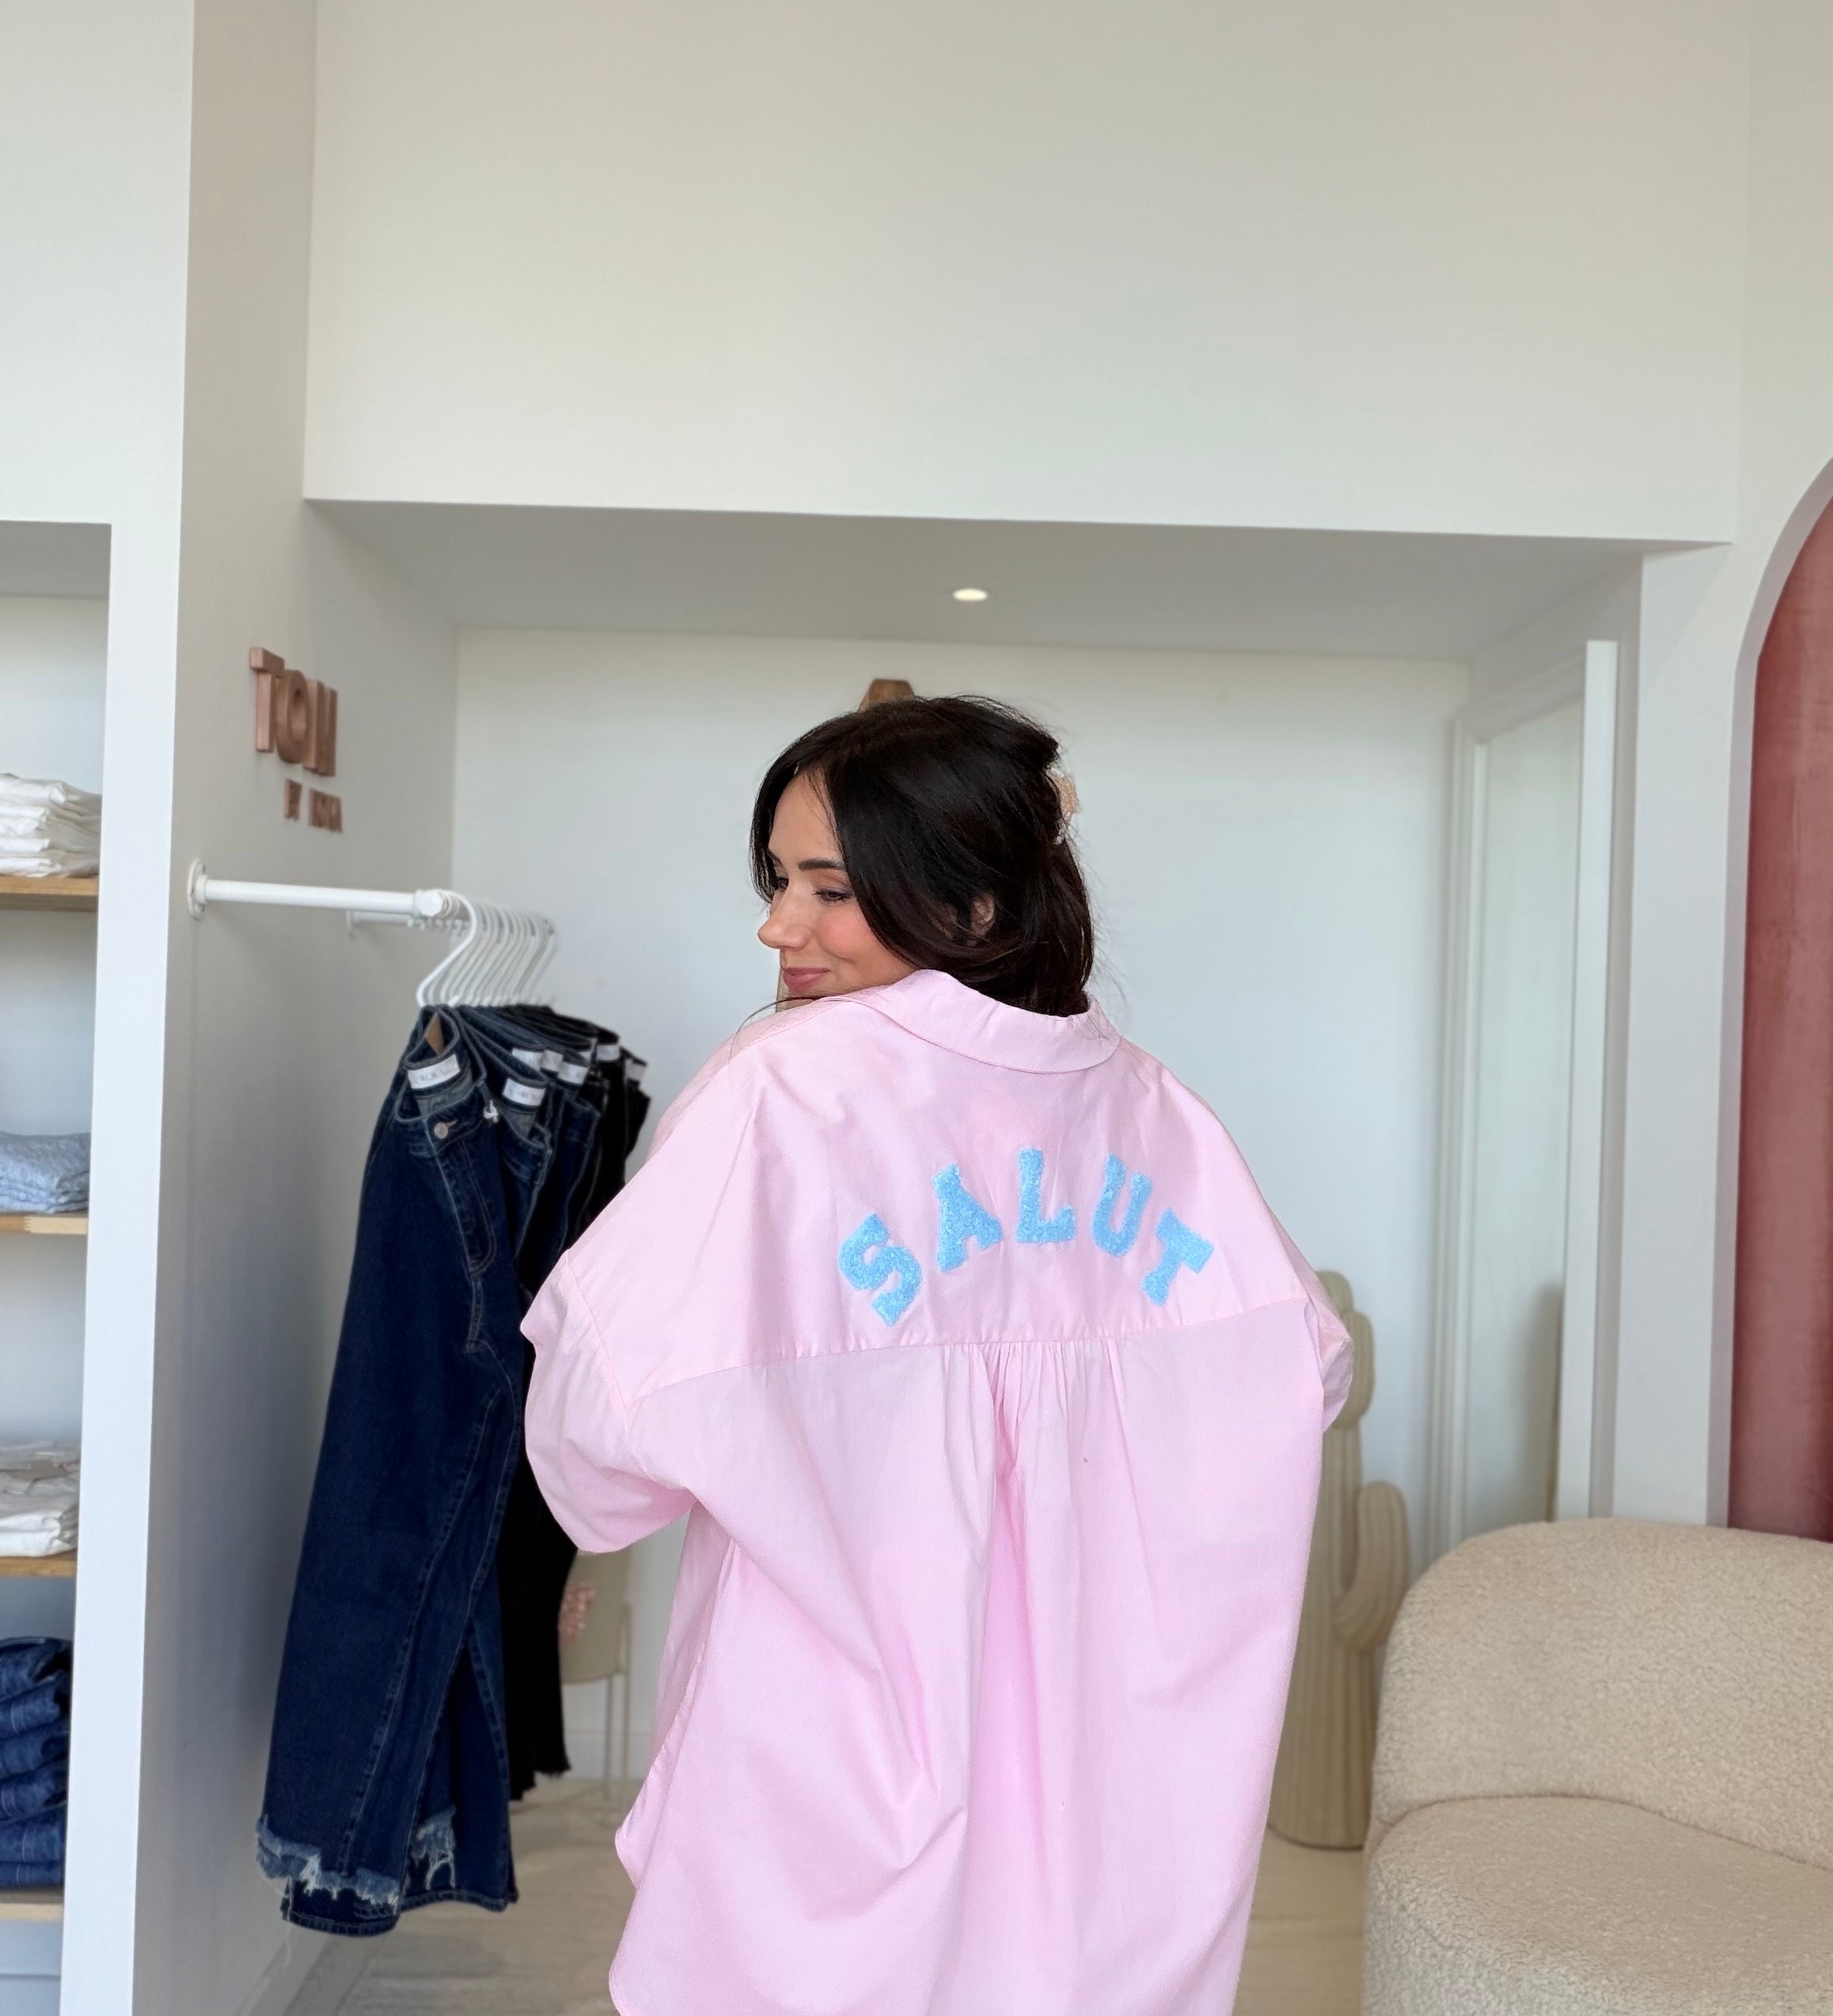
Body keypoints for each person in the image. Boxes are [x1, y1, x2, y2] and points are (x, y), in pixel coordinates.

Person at [524, 695, 1352, 2016]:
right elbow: (1306, 1369)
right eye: (776, 881)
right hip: (1111, 1775)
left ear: (968, 904)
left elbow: (600, 1417)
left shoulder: (784, 1090)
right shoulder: (1153, 1109)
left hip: (834, 1740)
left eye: (830, 890)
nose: (778, 926)